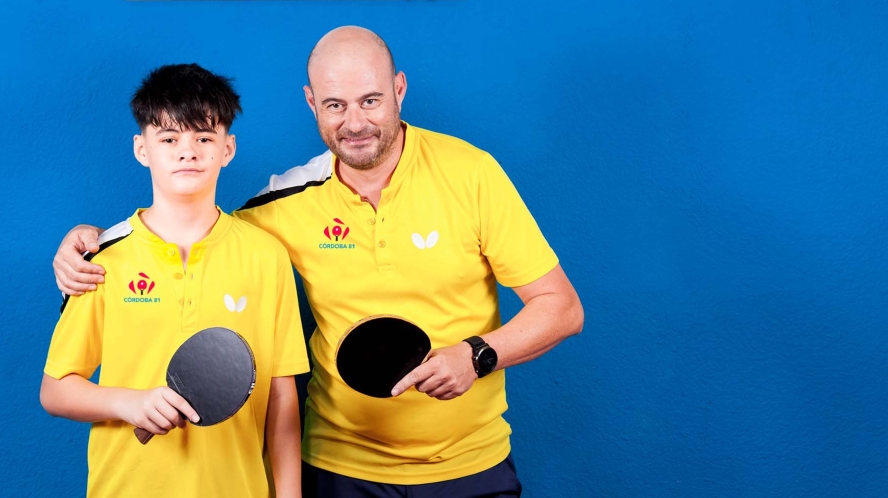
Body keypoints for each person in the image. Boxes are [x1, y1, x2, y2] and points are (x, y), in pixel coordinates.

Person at [54, 29, 584, 498]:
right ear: (311, 102)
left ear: (399, 89)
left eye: (371, 100)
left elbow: (561, 307)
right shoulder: (280, 208)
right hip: (340, 470)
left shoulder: (472, 173)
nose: (355, 122)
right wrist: (93, 241)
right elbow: (193, 225)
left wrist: (477, 355)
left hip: (472, 464)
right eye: (335, 105)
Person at [40, 63, 309, 498]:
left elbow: (282, 396)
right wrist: (128, 403)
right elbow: (55, 390)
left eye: (204, 138)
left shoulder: (266, 256)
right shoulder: (102, 257)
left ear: (228, 148)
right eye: (169, 139)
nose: (188, 152)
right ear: (141, 148)